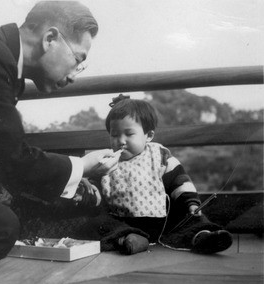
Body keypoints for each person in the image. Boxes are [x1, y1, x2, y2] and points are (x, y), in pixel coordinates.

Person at [0, 1, 121, 269]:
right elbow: (13, 157)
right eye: (78, 60)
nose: (74, 75)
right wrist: (84, 166)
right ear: (50, 38)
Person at [99, 94, 233, 254]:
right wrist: (89, 195)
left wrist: (191, 202)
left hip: (164, 220)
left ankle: (202, 236)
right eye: (114, 135)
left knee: (191, 217)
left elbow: (179, 180)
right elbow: (97, 192)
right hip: (123, 222)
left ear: (148, 136)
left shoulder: (159, 155)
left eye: (129, 134)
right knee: (101, 222)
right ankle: (130, 239)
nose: (121, 140)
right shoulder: (106, 162)